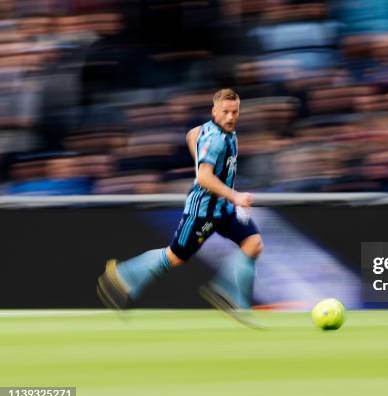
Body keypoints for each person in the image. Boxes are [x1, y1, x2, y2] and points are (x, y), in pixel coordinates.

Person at [97, 89, 264, 323]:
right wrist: (235, 196)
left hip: (223, 210)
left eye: (235, 112)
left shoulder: (222, 132)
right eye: (225, 112)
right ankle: (123, 275)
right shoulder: (215, 140)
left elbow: (192, 134)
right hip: (203, 211)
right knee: (174, 257)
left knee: (253, 243)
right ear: (214, 111)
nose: (230, 116)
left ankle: (230, 294)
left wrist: (201, 157)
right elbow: (204, 178)